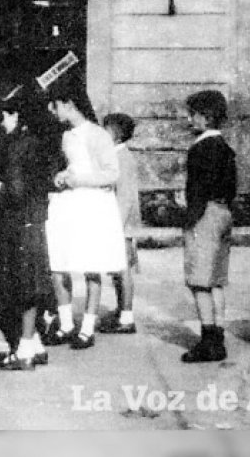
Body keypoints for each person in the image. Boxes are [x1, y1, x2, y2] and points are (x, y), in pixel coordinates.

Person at [42, 86, 127, 350]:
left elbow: (112, 174)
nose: (52, 111)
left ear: (69, 103)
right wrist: (64, 175)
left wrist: (79, 180)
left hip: (92, 206)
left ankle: (87, 328)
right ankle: (66, 324)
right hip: (69, 205)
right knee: (58, 265)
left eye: (55, 105)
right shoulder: (66, 135)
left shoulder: (98, 135)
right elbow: (75, 165)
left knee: (91, 266)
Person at [0, 95, 53, 370]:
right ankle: (35, 343)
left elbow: (15, 189)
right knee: (34, 283)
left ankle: (24, 350)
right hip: (35, 222)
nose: (3, 123)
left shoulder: (17, 147)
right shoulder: (38, 143)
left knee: (24, 286)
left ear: (18, 117)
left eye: (6, 116)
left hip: (18, 223)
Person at [180, 90, 237, 363]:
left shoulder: (200, 149)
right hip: (224, 211)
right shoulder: (225, 147)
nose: (189, 119)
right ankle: (219, 334)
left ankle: (208, 340)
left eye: (192, 115)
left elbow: (197, 192)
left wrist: (186, 216)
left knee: (199, 281)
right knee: (216, 280)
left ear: (204, 117)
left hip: (205, 216)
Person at [101, 113, 141, 335]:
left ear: (116, 136)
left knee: (123, 268)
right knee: (117, 268)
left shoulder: (123, 158)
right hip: (117, 222)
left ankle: (127, 316)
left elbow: (125, 197)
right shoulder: (115, 156)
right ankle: (121, 310)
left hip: (121, 224)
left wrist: (116, 225)